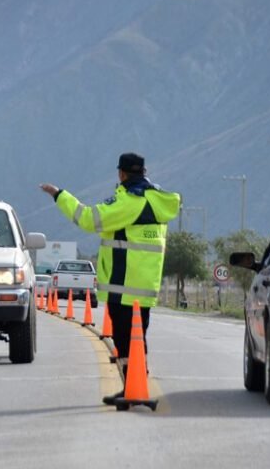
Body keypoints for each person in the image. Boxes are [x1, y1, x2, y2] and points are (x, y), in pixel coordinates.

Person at [39, 152, 180, 404]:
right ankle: (133, 385)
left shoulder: (130, 202)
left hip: (123, 284)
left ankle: (133, 388)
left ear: (122, 174)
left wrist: (59, 195)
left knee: (126, 341)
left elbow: (88, 219)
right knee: (137, 338)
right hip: (145, 285)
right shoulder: (156, 199)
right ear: (144, 172)